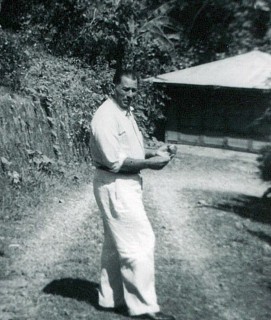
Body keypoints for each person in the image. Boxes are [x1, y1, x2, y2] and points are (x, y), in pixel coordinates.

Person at [89, 68, 176, 320]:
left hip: (125, 184)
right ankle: (143, 308)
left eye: (134, 90)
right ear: (113, 86)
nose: (129, 94)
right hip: (115, 183)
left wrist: (154, 151)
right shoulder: (106, 116)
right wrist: (150, 164)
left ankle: (110, 299)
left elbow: (131, 149)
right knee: (140, 241)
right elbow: (114, 160)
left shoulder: (125, 113)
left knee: (116, 245)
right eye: (125, 89)